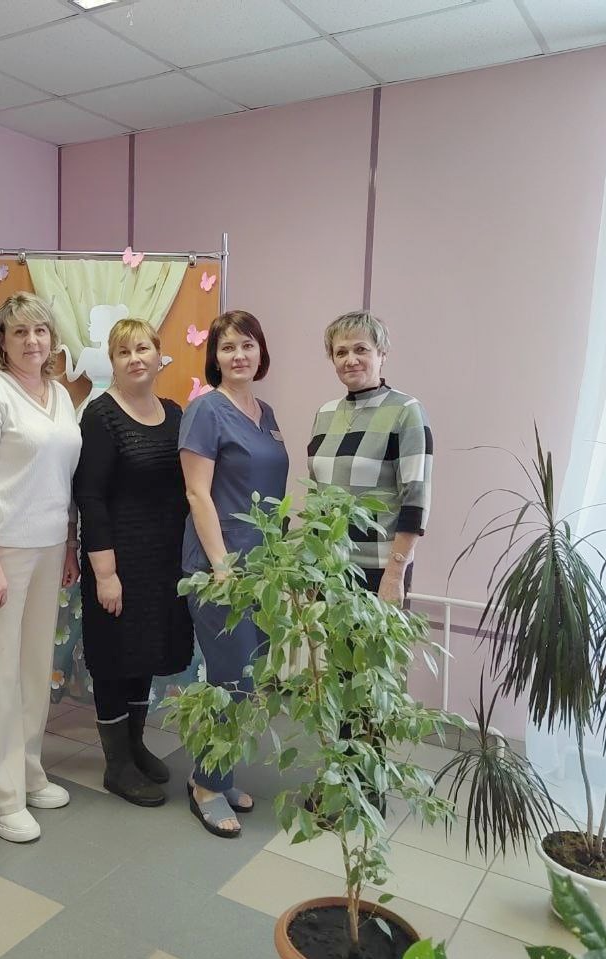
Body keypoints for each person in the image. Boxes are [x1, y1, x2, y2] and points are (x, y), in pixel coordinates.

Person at [0, 292, 82, 843]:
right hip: (2, 549)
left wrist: (70, 543)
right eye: (20, 331)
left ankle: (28, 772)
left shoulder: (60, 395)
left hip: (50, 546)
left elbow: (63, 479)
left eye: (41, 331)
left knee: (33, 669)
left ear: (53, 339)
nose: (32, 341)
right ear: (1, 340)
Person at [74, 318, 193, 807]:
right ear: (113, 362)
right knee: (113, 658)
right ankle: (116, 764)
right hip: (116, 559)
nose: (135, 359)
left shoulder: (174, 413)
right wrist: (105, 574)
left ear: (159, 354)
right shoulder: (100, 415)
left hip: (161, 561)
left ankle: (136, 745)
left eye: (142, 348)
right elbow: (90, 496)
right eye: (123, 352)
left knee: (145, 651)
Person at [179, 310, 289, 838]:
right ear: (215, 357)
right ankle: (206, 784)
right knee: (229, 679)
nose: (239, 355)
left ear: (260, 351)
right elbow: (197, 493)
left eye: (247, 344)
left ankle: (219, 774)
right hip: (220, 568)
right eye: (227, 347)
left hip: (263, 568)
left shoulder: (266, 413)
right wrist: (222, 565)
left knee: (249, 681)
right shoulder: (206, 410)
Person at [307, 310, 432, 605]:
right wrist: (311, 564)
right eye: (341, 352)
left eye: (361, 349)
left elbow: (415, 499)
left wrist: (395, 574)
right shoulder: (325, 414)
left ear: (382, 354)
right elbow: (316, 495)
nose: (350, 359)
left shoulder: (406, 411)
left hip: (379, 569)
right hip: (328, 566)